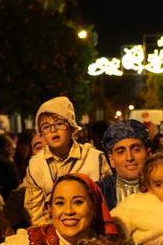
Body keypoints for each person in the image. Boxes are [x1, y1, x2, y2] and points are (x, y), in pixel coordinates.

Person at [22, 97, 110, 227]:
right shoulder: (36, 165)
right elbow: (35, 210)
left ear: (71, 126)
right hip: (53, 234)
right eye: (46, 127)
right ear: (41, 133)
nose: (53, 130)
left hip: (91, 232)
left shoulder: (95, 159)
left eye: (59, 124)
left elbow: (106, 203)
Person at [97, 119, 149, 209]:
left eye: (136, 149)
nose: (129, 158)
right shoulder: (99, 192)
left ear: (149, 154)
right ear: (111, 160)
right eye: (121, 151)